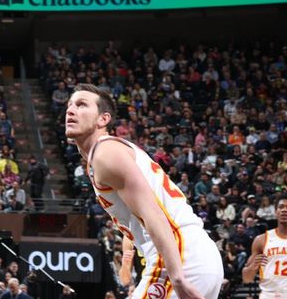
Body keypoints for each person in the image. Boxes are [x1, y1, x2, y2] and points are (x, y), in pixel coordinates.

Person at [65, 83, 223, 299]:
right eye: (69, 105)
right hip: (194, 253)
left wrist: (177, 276)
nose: (71, 110)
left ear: (104, 119)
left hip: (181, 256)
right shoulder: (107, 153)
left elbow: (152, 211)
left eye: (82, 104)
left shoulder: (105, 152)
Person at [242, 196, 287, 297]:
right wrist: (254, 266)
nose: (284, 210)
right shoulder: (261, 240)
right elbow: (247, 278)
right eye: (281, 207)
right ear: (275, 212)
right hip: (269, 295)